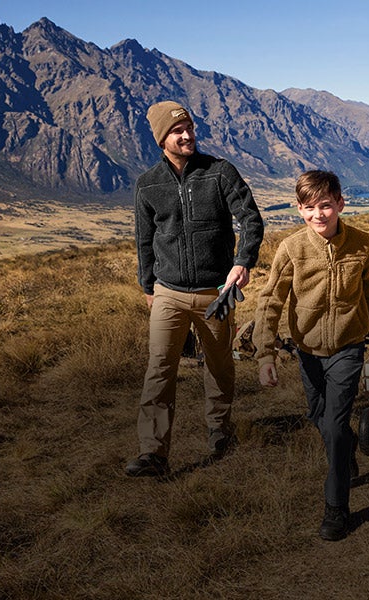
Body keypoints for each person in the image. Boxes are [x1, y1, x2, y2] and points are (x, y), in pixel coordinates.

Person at [125, 100, 264, 477]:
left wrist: (243, 261)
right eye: (177, 131)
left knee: (219, 365)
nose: (186, 135)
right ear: (161, 138)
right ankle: (153, 452)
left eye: (188, 127)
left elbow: (251, 219)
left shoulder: (220, 172)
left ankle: (219, 429)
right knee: (159, 369)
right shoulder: (147, 184)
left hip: (216, 291)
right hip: (167, 292)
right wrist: (148, 287)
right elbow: (144, 241)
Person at [253, 170, 369, 541]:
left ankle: (336, 509)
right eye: (309, 208)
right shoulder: (291, 249)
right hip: (307, 349)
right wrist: (265, 354)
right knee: (319, 416)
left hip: (348, 345)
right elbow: (270, 300)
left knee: (335, 421)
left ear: (340, 204)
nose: (318, 214)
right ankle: (345, 450)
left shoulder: (362, 243)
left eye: (325, 205)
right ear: (299, 209)